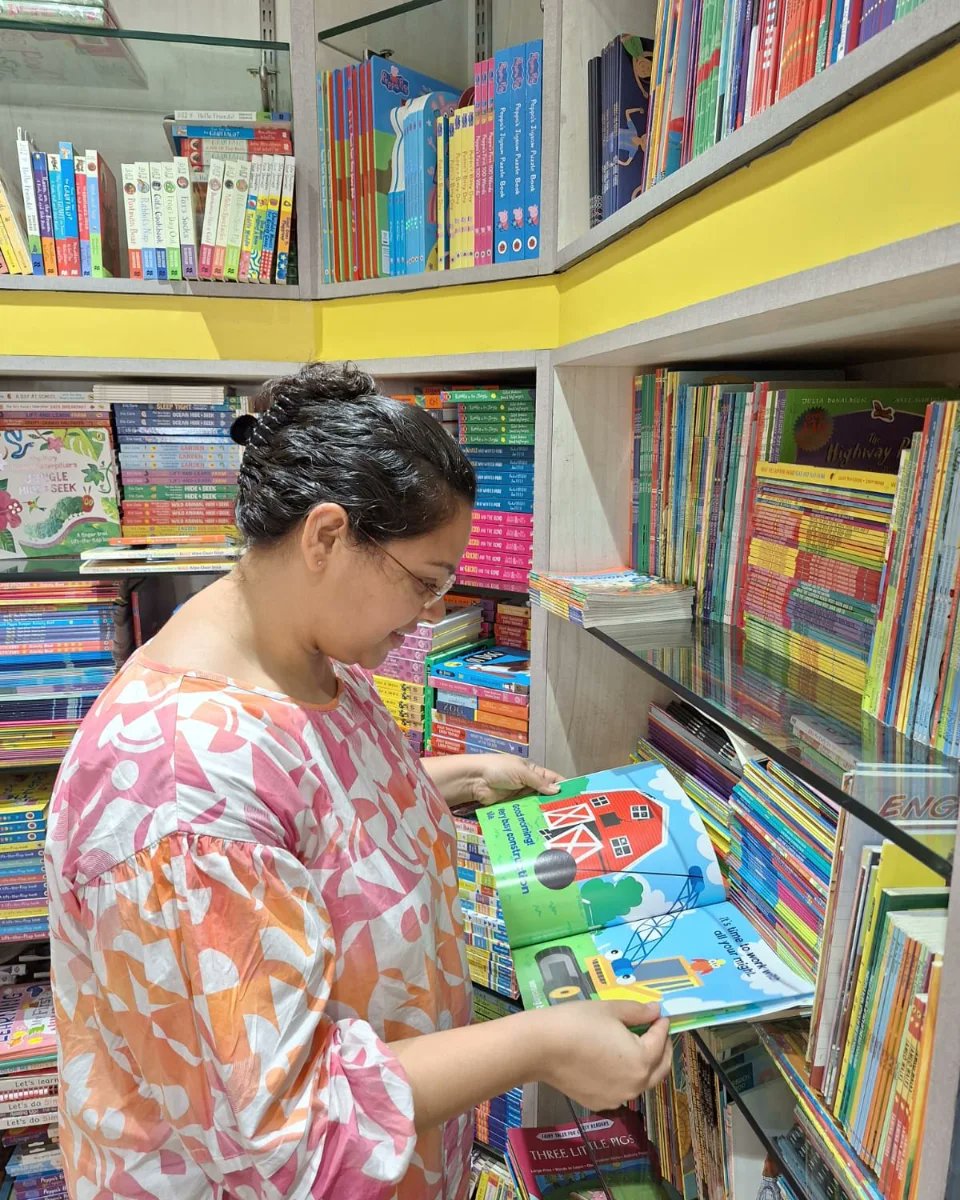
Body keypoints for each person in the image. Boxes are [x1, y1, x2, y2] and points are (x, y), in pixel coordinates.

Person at [45, 362, 673, 1200]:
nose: (429, 613)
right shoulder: (177, 788)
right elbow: (290, 1126)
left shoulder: (300, 657)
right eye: (424, 582)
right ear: (327, 536)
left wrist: (449, 777)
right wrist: (540, 1045)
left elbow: (304, 813)